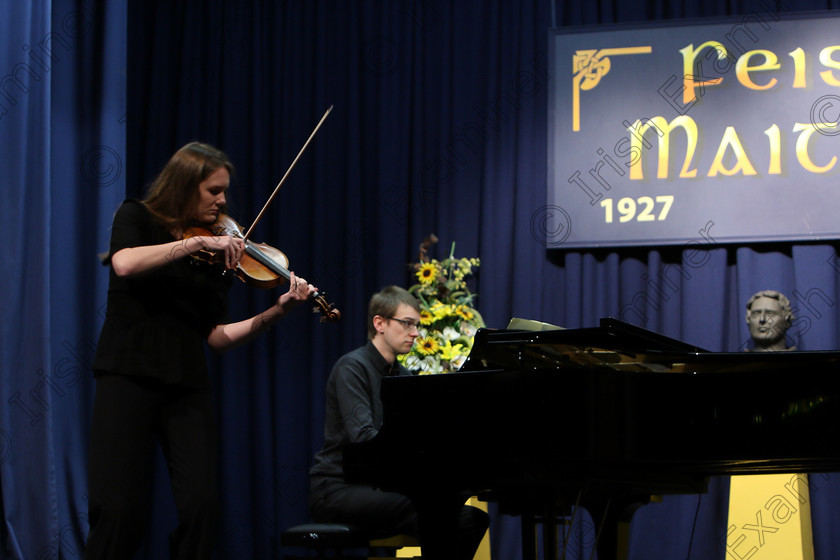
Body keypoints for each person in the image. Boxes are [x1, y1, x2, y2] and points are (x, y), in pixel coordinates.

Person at [85, 141, 318, 559]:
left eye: (224, 191)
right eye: (214, 191)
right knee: (120, 511)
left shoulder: (221, 253)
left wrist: (277, 312)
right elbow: (123, 264)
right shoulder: (137, 216)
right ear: (185, 186)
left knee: (202, 508)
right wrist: (194, 246)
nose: (223, 201)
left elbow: (215, 337)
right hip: (128, 375)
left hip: (186, 384)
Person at [308, 286, 489, 560]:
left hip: (380, 485)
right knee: (430, 509)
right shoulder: (352, 368)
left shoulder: (402, 375)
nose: (415, 333)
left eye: (416, 325)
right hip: (337, 487)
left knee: (469, 518)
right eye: (407, 324)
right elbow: (364, 438)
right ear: (379, 323)